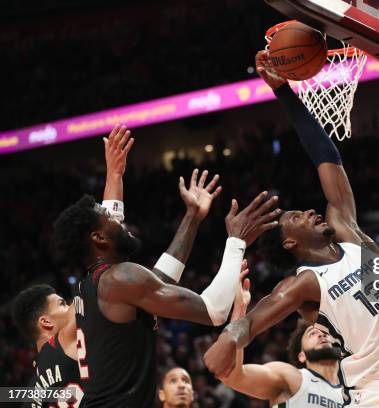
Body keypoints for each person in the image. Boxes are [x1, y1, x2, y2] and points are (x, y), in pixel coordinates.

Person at [204, 50, 379, 408]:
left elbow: (327, 157)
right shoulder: (304, 284)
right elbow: (256, 320)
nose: (309, 211)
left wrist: (283, 92)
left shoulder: (348, 233)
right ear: (289, 242)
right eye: (296, 216)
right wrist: (228, 339)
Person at [53, 149, 279, 406]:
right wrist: (236, 241)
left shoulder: (92, 284)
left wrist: (192, 217)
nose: (120, 222)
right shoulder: (117, 279)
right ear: (99, 238)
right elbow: (213, 310)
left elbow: (160, 280)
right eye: (110, 219)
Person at [11, 124, 134, 407]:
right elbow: (109, 257)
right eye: (62, 305)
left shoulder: (32, 390)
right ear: (46, 322)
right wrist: (114, 176)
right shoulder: (64, 340)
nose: (71, 307)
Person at [219, 275, 343, 407]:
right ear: (302, 355)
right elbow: (232, 376)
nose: (321, 335)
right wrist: (240, 309)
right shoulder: (291, 377)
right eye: (312, 334)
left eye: (324, 333)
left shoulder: (355, 390)